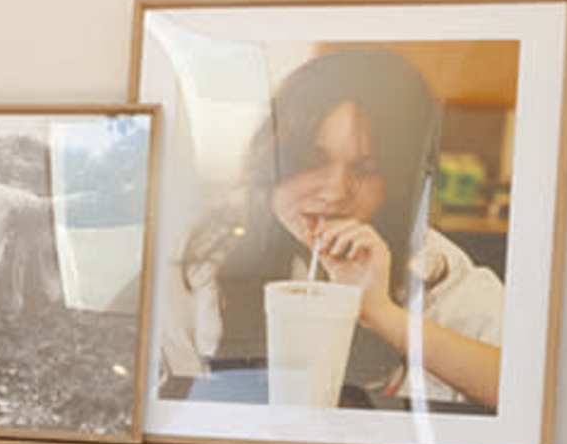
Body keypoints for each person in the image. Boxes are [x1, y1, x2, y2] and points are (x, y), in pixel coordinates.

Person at [159, 46, 507, 411]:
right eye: (314, 159)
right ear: (273, 156)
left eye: (365, 169)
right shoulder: (205, 254)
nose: (336, 191)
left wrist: (382, 314)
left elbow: (527, 392)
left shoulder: (430, 264)